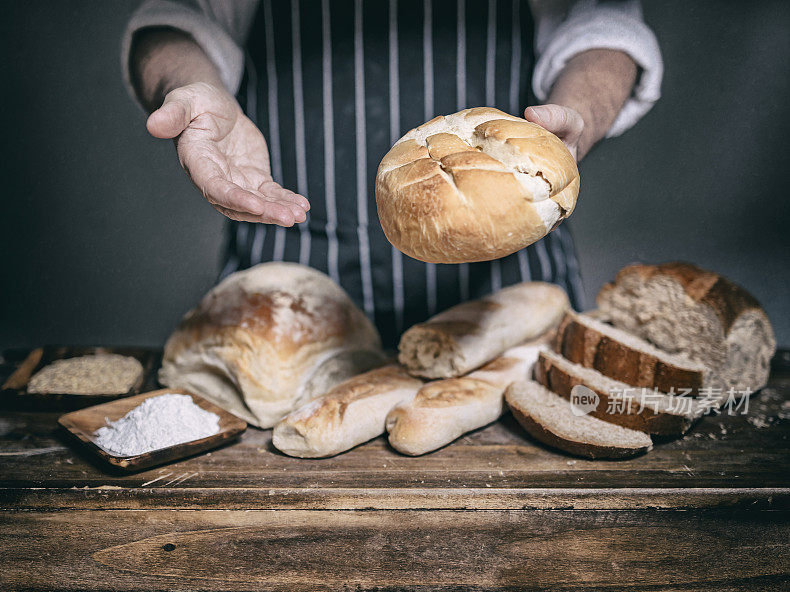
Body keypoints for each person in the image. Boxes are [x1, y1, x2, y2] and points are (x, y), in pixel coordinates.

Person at [123, 0, 662, 346]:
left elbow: (602, 20)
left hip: (507, 304)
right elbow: (178, 14)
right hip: (284, 296)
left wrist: (575, 119)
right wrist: (191, 87)